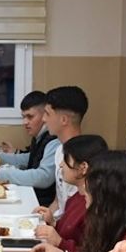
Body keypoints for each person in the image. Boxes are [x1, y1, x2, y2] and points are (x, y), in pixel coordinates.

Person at [0, 91, 58, 206]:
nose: (25, 122)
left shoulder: (55, 141)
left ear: (45, 116)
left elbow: (43, 177)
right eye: (23, 117)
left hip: (41, 203)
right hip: (33, 195)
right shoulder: (40, 135)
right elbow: (30, 158)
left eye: (30, 117)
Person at [36, 86, 91, 222]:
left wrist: (54, 226)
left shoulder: (84, 159)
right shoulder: (59, 150)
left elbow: (80, 214)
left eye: (47, 114)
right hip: (57, 226)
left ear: (64, 120)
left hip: (68, 233)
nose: (43, 119)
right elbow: (58, 200)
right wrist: (44, 218)